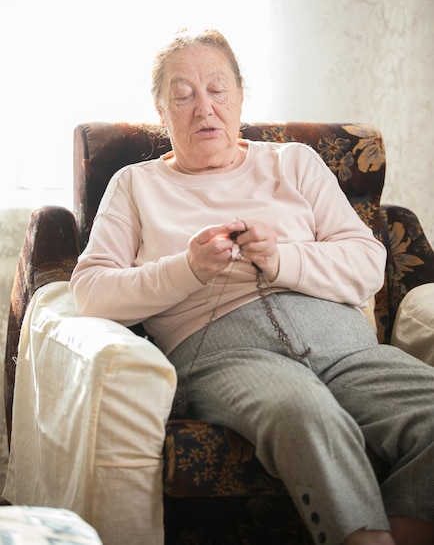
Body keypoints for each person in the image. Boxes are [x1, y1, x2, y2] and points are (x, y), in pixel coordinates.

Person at [70, 28, 434, 545]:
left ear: (241, 95)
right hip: (222, 353)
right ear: (161, 109)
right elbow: (90, 291)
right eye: (183, 94)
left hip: (345, 345)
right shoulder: (136, 185)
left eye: (217, 89)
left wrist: (282, 258)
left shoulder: (294, 163)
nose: (204, 108)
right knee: (303, 413)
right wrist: (188, 269)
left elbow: (367, 263)